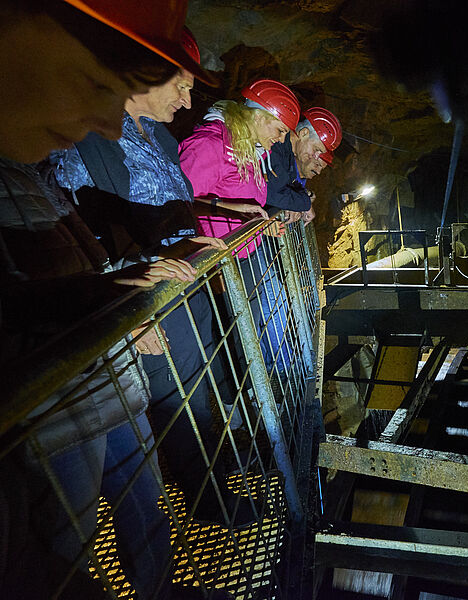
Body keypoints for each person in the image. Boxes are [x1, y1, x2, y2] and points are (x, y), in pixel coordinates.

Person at [0, 1, 226, 598]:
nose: (108, 121)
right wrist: (99, 295)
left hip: (102, 377)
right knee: (59, 547)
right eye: (96, 83)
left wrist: (105, 296)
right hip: (53, 405)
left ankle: (160, 587)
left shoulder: (31, 171)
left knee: (141, 496)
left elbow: (77, 248)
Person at [52, 27, 266, 527]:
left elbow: (166, 207)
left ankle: (219, 474)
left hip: (182, 283)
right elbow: (82, 229)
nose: (189, 98)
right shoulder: (91, 137)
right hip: (143, 296)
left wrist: (197, 236)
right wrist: (124, 314)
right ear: (143, 73)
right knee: (173, 398)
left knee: (202, 381)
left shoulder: (163, 137)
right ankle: (207, 501)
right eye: (183, 84)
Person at [179, 79, 300, 378]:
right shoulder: (211, 143)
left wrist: (259, 226)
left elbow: (241, 201)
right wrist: (231, 210)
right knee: (222, 336)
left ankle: (244, 390)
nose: (282, 140)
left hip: (237, 258)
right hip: (210, 263)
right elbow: (177, 203)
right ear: (259, 117)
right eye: (280, 130)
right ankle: (232, 397)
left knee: (242, 332)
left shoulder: (249, 150)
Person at [264, 106, 342, 226]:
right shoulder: (277, 145)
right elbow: (271, 192)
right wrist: (304, 203)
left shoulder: (287, 154)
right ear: (304, 133)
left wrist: (298, 201)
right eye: (316, 149)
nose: (316, 157)